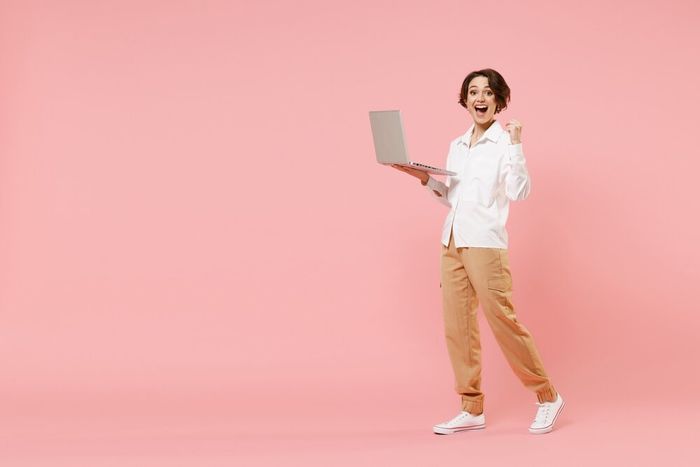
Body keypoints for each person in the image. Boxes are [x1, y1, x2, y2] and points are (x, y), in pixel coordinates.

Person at [391, 69, 564, 435]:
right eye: (473, 92)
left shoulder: (504, 143)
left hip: (485, 243)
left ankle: (547, 396)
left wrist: (517, 144)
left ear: (499, 100)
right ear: (465, 100)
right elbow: (454, 198)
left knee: (503, 321)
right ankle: (471, 407)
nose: (479, 98)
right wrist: (424, 178)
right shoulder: (457, 145)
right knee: (459, 327)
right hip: (452, 241)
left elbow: (519, 192)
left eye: (487, 92)